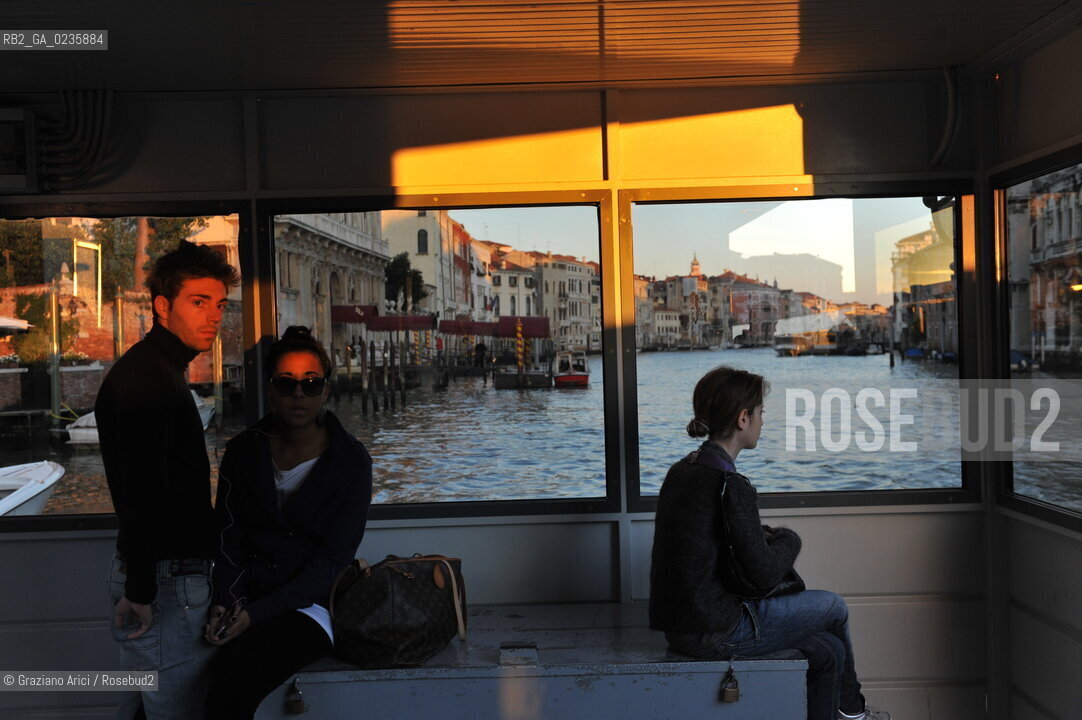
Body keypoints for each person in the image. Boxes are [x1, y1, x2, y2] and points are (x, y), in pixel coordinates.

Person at [649, 365, 890, 720]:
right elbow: (761, 576)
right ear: (743, 418)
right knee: (834, 607)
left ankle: (849, 713)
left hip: (681, 629)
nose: (764, 421)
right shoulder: (729, 485)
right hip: (715, 631)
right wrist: (789, 539)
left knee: (829, 651)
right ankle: (855, 713)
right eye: (761, 412)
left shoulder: (683, 470)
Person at [98, 240, 239, 720]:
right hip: (165, 580)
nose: (214, 316)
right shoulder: (151, 379)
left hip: (157, 575)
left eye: (220, 304)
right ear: (162, 306)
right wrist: (141, 589)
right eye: (199, 302)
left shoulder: (155, 370)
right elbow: (143, 492)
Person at [204, 326, 372, 719]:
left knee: (233, 678)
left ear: (325, 391)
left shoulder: (351, 462)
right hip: (244, 595)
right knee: (179, 676)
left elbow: (333, 560)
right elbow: (228, 537)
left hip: (311, 606)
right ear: (271, 389)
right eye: (287, 383)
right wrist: (225, 600)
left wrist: (254, 614)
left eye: (311, 384)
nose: (299, 394)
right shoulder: (243, 452)